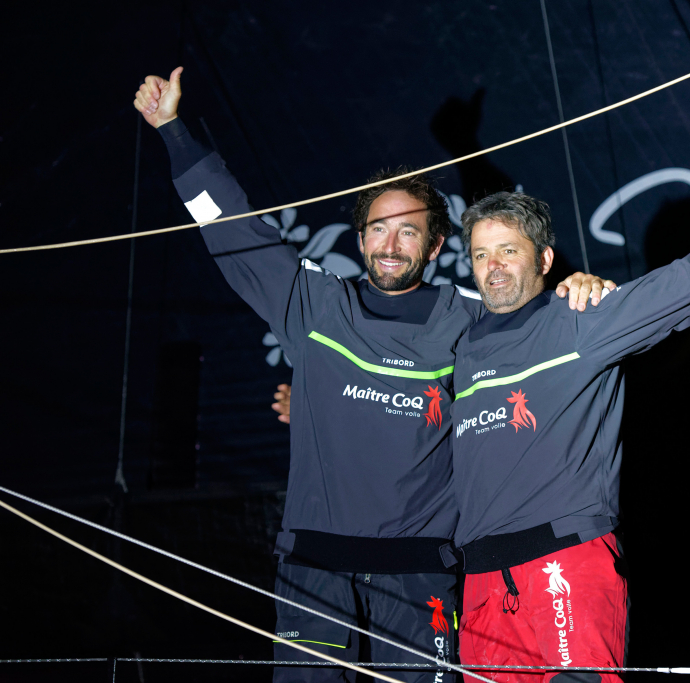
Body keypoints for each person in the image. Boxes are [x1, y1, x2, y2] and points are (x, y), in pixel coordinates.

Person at [134, 66, 614, 683]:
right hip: (314, 569)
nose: (391, 245)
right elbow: (232, 229)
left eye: (409, 231)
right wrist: (173, 131)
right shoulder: (312, 305)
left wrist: (578, 287)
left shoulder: (473, 321)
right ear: (360, 240)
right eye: (378, 229)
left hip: (421, 574)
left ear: (435, 246)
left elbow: (537, 312)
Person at [449, 153, 690, 683]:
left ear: (544, 259)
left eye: (508, 251)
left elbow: (684, 287)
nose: (493, 266)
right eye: (480, 254)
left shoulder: (580, 320)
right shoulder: (459, 347)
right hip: (482, 582)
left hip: (563, 563)